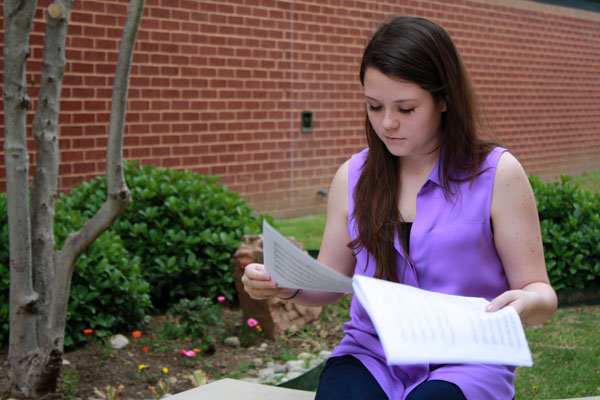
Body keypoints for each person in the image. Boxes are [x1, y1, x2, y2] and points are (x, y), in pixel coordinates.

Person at [241, 15, 557, 400]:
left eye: (405, 109)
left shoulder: (497, 175)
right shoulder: (353, 176)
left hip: (468, 361)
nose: (387, 123)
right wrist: (282, 285)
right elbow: (327, 285)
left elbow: (541, 292)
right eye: (374, 106)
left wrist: (528, 302)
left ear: (444, 100)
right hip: (372, 355)